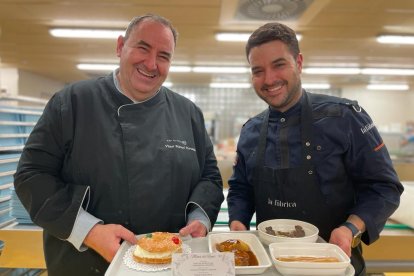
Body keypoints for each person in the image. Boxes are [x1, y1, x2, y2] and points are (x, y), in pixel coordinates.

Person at [14, 14, 224, 275]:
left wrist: (199, 218)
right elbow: (31, 175)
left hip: (170, 264)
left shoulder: (189, 113)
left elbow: (210, 176)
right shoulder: (72, 102)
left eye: (164, 56)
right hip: (86, 264)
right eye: (143, 48)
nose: (151, 63)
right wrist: (88, 231)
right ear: (120, 46)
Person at [227, 22, 403, 276]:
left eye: (279, 65)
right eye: (258, 71)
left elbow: (384, 188)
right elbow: (241, 189)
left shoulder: (346, 117)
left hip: (333, 263)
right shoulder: (250, 131)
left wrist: (349, 229)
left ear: (298, 63)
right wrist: (238, 224)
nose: (269, 79)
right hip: (270, 265)